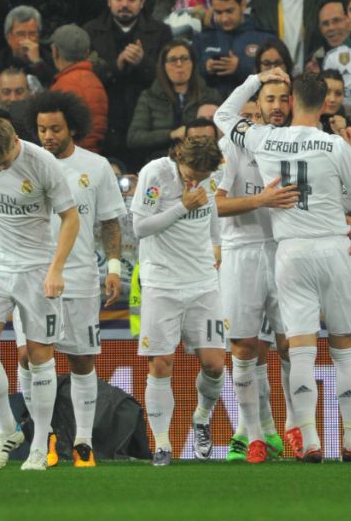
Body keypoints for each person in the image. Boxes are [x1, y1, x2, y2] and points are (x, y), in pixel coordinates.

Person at [214, 69, 351, 462]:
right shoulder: (333, 145)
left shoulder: (264, 138)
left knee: (301, 348)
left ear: (291, 102)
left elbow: (223, 115)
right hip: (333, 250)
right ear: (325, 105)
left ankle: (309, 441)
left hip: (291, 252)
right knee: (344, 348)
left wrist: (254, 80)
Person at [0, 116, 80, 471]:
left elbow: (71, 218)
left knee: (38, 355)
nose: (0, 167)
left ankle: (40, 443)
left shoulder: (43, 164)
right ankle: (7, 429)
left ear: (15, 140)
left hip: (37, 269)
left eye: (5, 160)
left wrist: (56, 269)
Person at [17, 91, 125, 466]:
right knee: (27, 356)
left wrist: (113, 267)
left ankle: (83, 441)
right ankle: (43, 438)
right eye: (42, 129)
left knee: (81, 360)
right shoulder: (24, 164)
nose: (47, 135)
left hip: (79, 276)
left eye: (55, 129)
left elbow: (110, 221)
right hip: (31, 276)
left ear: (72, 127)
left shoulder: (95, 167)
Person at [214, 76, 297, 464]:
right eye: (269, 98)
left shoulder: (300, 144)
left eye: (284, 98)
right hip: (242, 252)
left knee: (291, 345)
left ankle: (296, 429)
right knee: (244, 345)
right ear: (257, 106)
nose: (277, 105)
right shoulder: (234, 144)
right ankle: (254, 434)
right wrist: (262, 199)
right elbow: (215, 205)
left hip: (287, 250)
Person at [131, 134, 224, 466]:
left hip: (202, 281)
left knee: (215, 364)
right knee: (160, 364)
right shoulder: (154, 174)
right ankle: (162, 444)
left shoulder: (210, 177)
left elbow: (213, 220)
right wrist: (182, 205)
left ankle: (201, 417)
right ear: (178, 157)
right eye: (190, 171)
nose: (195, 179)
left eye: (202, 174)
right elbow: (140, 227)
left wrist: (217, 246)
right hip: (161, 282)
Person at [84, 0, 172, 161]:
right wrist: (116, 65)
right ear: (109, 0)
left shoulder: (161, 32)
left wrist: (143, 63)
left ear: (141, 2)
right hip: (106, 124)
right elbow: (87, 78)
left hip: (148, 125)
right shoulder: (91, 31)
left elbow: (170, 80)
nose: (124, 4)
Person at [127, 40, 221, 162]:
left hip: (201, 161)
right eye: (172, 60)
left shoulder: (210, 95)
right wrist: (171, 134)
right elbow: (134, 138)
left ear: (193, 63)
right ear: (163, 65)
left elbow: (222, 132)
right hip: (159, 161)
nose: (179, 64)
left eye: (184, 58)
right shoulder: (149, 97)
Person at [192, 0, 274, 99]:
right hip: (212, 109)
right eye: (218, 12)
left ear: (243, 5)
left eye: (229, 11)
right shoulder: (203, 38)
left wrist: (240, 68)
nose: (224, 18)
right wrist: (205, 68)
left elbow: (277, 76)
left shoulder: (265, 38)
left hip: (255, 109)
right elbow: (186, 76)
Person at [49, 24, 107, 152]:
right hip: (92, 154)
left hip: (73, 158)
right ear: (86, 53)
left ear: (55, 51)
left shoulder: (63, 85)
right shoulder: (94, 79)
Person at [0, 6, 57, 88]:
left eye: (32, 34)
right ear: (9, 38)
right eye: (21, 34)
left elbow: (57, 86)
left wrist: (38, 64)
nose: (27, 40)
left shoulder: (52, 61)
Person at [306, 1, 350, 72]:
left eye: (336, 20)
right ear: (320, 29)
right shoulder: (315, 60)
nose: (331, 27)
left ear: (349, 21)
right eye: (325, 24)